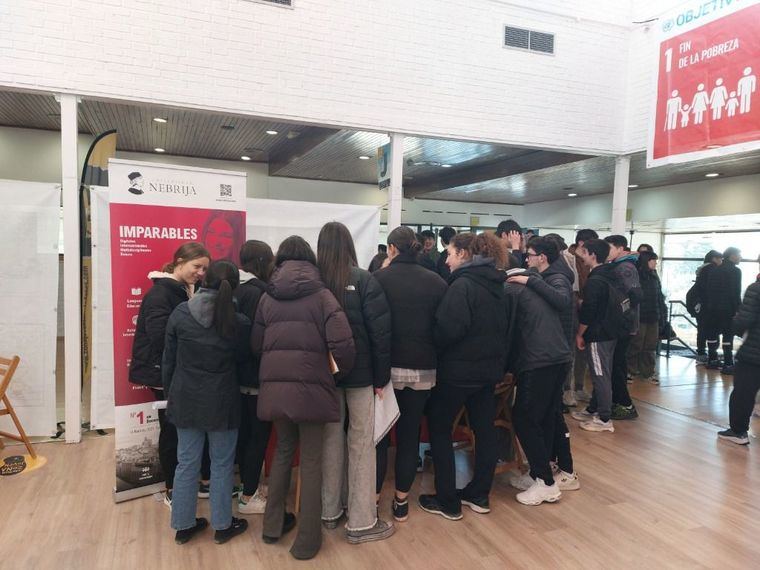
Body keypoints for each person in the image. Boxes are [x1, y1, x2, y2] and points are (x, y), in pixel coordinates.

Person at [252, 236, 355, 560]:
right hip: (312, 389)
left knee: (283, 453)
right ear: (311, 260)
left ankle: (272, 527)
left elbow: (256, 344)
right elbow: (344, 344)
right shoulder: (323, 296)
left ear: (279, 261)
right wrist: (335, 373)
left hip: (277, 390)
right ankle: (308, 541)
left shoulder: (267, 297)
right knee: (310, 461)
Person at [419, 232, 509, 520]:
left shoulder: (463, 287)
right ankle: (479, 494)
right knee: (484, 430)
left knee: (440, 428)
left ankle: (447, 501)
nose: (446, 260)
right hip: (487, 372)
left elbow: (447, 330)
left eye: (450, 253)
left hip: (458, 372)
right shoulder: (497, 285)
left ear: (464, 254)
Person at [163, 260, 252, 545]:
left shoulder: (180, 313)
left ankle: (183, 525)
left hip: (185, 398)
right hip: (223, 401)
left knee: (186, 463)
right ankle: (223, 525)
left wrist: (171, 395)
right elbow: (242, 361)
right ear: (235, 286)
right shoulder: (238, 322)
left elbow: (169, 361)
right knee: (222, 464)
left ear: (204, 280)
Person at [316, 222, 395, 544]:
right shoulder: (365, 280)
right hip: (362, 376)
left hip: (324, 377)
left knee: (330, 442)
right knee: (362, 445)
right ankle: (361, 521)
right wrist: (381, 378)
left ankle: (330, 512)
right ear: (349, 245)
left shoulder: (314, 283)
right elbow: (380, 334)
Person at [374, 227, 448, 523]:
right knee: (409, 435)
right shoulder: (437, 281)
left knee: (379, 438)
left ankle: (373, 500)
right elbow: (443, 327)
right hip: (423, 369)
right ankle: (402, 502)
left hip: (385, 370)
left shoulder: (378, 280)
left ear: (391, 249)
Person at [129, 242, 211, 508]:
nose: (200, 272)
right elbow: (160, 337)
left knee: (185, 428)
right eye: (196, 266)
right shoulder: (161, 294)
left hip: (180, 372)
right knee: (172, 430)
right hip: (162, 373)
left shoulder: (186, 291)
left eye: (204, 269)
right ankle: (172, 488)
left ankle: (188, 482)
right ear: (179, 261)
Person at [507, 237, 579, 498]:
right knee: (548, 416)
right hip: (553, 354)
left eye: (531, 255)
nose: (527, 259)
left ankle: (550, 478)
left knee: (527, 417)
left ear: (543, 258)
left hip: (547, 356)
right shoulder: (545, 278)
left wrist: (530, 280)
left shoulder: (556, 277)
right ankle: (543, 472)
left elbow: (562, 302)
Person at [233, 240, 274, 515]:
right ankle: (249, 494)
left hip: (235, 375)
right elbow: (259, 340)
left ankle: (245, 486)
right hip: (257, 376)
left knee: (244, 434)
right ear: (262, 262)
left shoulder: (234, 288)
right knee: (258, 436)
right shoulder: (260, 294)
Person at [571, 239, 619, 433]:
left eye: (584, 252)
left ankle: (605, 418)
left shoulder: (595, 280)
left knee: (600, 375)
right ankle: (594, 409)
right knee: (603, 372)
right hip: (612, 331)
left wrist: (580, 334)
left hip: (599, 334)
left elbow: (590, 312)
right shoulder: (611, 273)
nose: (581, 256)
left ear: (592, 254)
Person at [718, 256, 760, 445]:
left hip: (754, 351)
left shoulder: (756, 288)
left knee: (743, 392)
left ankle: (738, 431)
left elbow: (744, 319)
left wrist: (734, 326)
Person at [604, 235, 642, 421]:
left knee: (617, 365)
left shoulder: (625, 267)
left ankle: (625, 404)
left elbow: (635, 295)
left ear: (620, 248)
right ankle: (617, 402)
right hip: (622, 324)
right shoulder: (618, 265)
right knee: (615, 365)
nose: (606, 251)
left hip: (623, 326)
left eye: (609, 247)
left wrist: (619, 311)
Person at [543, 233, 581, 407]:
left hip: (560, 322)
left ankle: (560, 397)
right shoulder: (568, 264)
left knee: (561, 360)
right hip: (569, 318)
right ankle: (566, 395)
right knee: (567, 359)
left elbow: (562, 299)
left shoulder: (556, 274)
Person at [568, 229, 599, 403]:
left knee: (582, 353)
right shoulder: (568, 259)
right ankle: (568, 390)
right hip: (572, 311)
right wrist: (578, 300)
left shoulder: (590, 261)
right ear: (581, 244)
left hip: (586, 312)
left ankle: (579, 386)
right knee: (570, 352)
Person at [629, 251, 667, 384]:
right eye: (653, 260)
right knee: (636, 344)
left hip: (653, 315)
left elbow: (659, 297)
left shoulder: (654, 276)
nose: (655, 263)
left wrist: (662, 315)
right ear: (646, 261)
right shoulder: (637, 276)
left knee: (650, 345)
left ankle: (648, 372)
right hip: (640, 316)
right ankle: (630, 371)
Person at [705, 247, 742, 375]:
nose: (740, 257)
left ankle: (712, 359)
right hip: (727, 309)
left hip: (712, 308)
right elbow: (735, 292)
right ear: (732, 256)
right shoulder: (735, 271)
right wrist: (738, 309)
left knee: (713, 334)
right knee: (727, 335)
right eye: (738, 255)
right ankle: (727, 363)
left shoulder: (715, 270)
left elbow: (708, 289)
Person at [692, 250, 723, 362]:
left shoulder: (702, 270)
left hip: (700, 306)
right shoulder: (712, 269)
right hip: (709, 306)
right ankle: (712, 356)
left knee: (701, 330)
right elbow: (712, 290)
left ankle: (701, 354)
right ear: (714, 259)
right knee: (712, 332)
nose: (721, 261)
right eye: (720, 259)